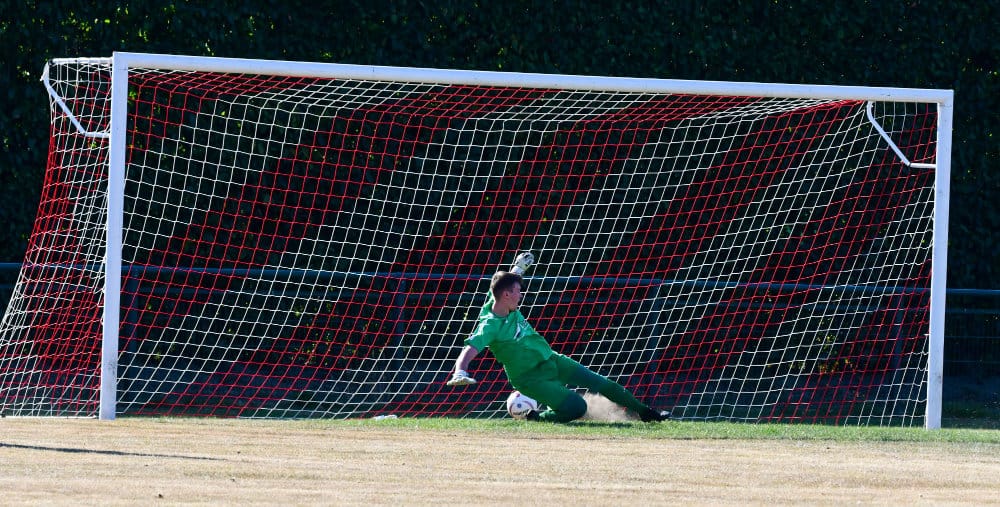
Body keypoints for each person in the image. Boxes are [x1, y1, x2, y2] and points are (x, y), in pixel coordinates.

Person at [446, 252, 670, 423]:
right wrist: (460, 371)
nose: (521, 295)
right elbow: (470, 349)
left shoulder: (499, 300)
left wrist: (519, 267)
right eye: (518, 291)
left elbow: (507, 280)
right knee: (578, 408)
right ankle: (537, 417)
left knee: (603, 383)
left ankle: (646, 413)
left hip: (551, 359)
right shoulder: (490, 325)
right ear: (506, 295)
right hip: (530, 378)